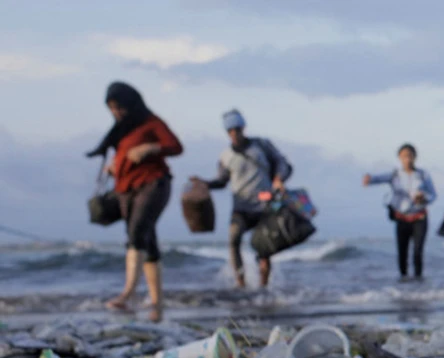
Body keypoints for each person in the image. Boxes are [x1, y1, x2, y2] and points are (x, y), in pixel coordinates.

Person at [86, 82, 182, 323]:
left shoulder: (151, 122)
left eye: (119, 107)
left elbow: (176, 146)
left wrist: (150, 147)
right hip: (126, 189)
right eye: (111, 108)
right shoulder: (121, 129)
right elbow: (121, 156)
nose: (116, 112)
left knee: (137, 232)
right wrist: (114, 167)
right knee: (147, 240)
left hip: (153, 184)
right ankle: (156, 300)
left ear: (130, 103)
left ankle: (127, 293)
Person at [190, 110, 292, 289]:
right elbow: (221, 181)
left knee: (264, 248)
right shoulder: (225, 156)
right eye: (230, 131)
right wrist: (204, 183)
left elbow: (283, 163)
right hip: (241, 208)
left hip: (265, 206)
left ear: (243, 128)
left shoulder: (261, 145)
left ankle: (263, 286)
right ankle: (241, 284)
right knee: (233, 239)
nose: (234, 134)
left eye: (237, 129)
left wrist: (278, 179)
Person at [364, 144, 437, 281]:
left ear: (415, 157)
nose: (407, 159)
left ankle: (418, 282)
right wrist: (369, 179)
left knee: (417, 252)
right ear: (399, 158)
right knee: (402, 253)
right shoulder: (395, 175)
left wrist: (424, 198)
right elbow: (378, 179)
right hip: (401, 218)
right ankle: (403, 283)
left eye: (410, 156)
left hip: (419, 217)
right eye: (404, 156)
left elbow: (433, 195)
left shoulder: (422, 175)